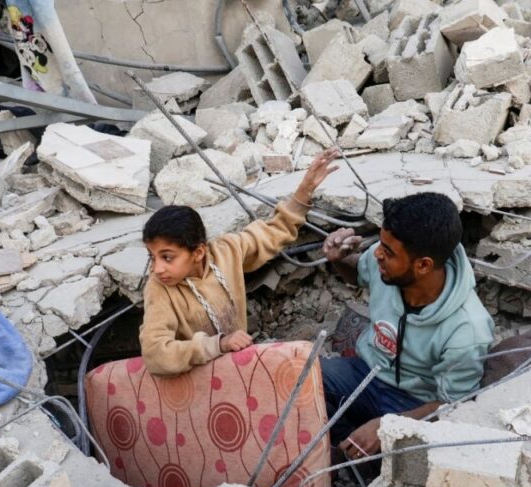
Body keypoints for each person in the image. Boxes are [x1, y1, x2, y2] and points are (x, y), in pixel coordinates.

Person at [320, 192, 495, 459]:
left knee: (408, 463)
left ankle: (366, 457)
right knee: (306, 380)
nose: (377, 254)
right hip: (366, 372)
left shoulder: (467, 329)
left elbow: (453, 406)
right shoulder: (386, 266)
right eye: (380, 244)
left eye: (388, 252)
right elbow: (359, 273)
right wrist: (338, 259)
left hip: (415, 402)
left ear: (424, 265)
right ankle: (348, 445)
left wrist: (388, 426)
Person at [139, 149, 339, 375]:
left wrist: (304, 191)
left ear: (198, 253)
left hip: (239, 363)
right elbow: (155, 355)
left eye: (167, 257)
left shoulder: (226, 252)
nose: (157, 268)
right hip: (198, 379)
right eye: (151, 257)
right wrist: (219, 344)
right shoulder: (159, 288)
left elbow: (273, 232)